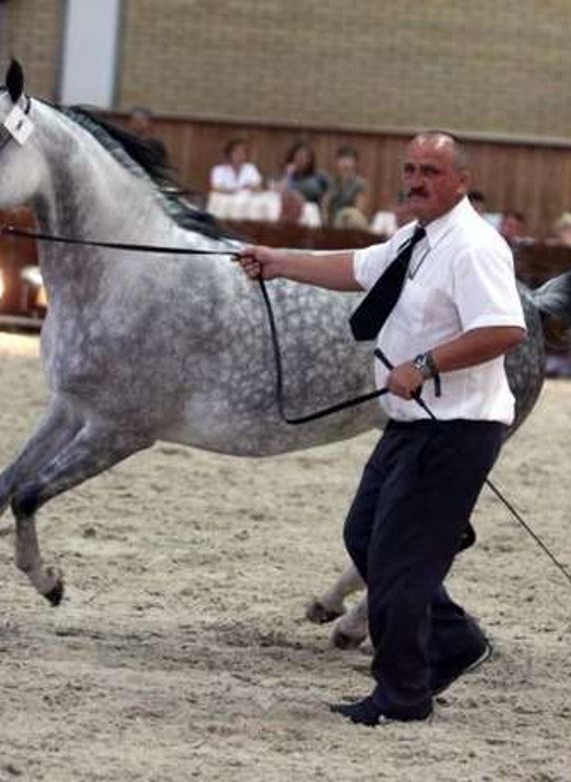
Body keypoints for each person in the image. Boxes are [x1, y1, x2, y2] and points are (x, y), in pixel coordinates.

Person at [236, 132, 527, 726]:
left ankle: (403, 694)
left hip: (455, 428)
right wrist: (280, 261)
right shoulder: (416, 237)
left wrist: (423, 365)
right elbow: (359, 269)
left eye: (432, 171)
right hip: (409, 424)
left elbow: (504, 330)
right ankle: (455, 641)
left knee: (399, 561)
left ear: (461, 180)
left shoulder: (473, 247)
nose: (416, 180)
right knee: (366, 537)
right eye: (411, 168)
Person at [323, 145, 371, 229]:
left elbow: (359, 211)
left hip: (351, 225)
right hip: (332, 224)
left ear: (355, 163)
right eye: (342, 160)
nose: (345, 163)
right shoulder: (332, 182)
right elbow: (325, 204)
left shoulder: (360, 184)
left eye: (349, 160)